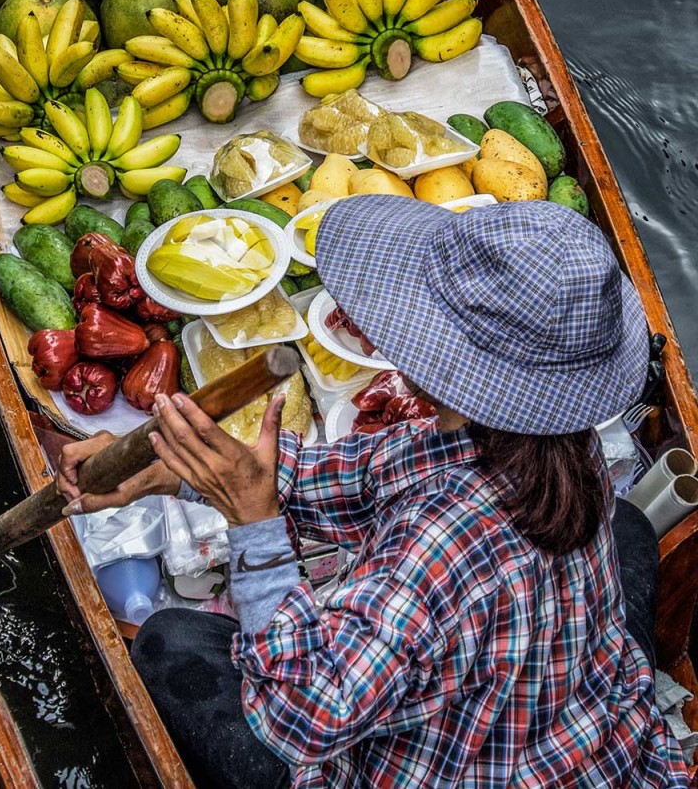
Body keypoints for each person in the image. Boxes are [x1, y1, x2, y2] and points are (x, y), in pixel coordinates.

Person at [57, 198, 689, 788]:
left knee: (171, 642)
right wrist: (184, 469)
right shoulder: (556, 438)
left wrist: (255, 522)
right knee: (628, 525)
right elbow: (364, 475)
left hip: (454, 764)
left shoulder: (444, 540)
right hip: (571, 730)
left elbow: (305, 719)